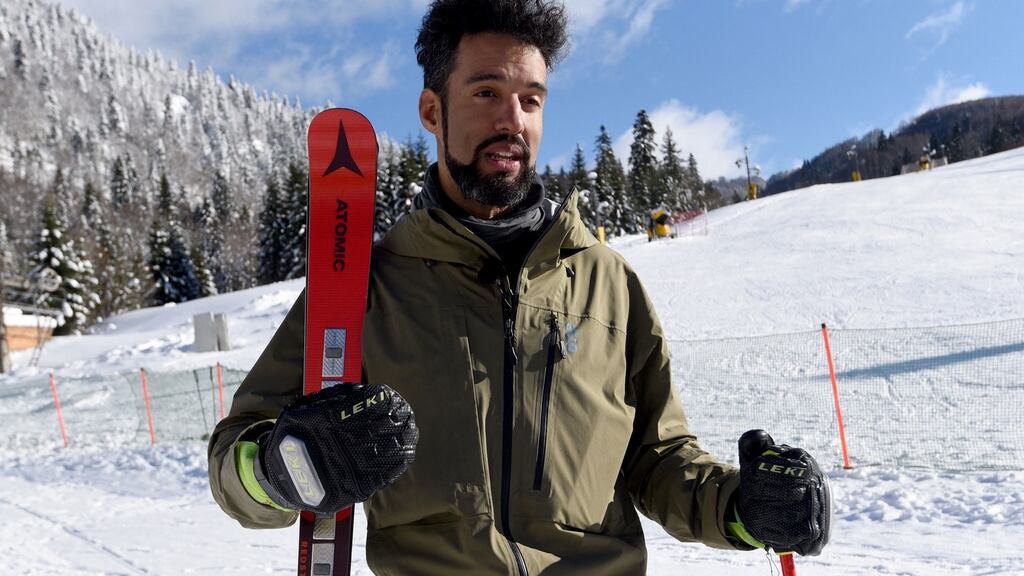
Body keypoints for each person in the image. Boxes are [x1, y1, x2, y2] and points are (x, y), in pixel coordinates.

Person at [207, 1, 830, 574]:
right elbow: (233, 459)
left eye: (531, 100)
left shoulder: (609, 284)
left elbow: (659, 460)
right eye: (486, 93)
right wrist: (282, 470)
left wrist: (744, 508)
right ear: (432, 111)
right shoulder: (365, 289)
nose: (513, 120)